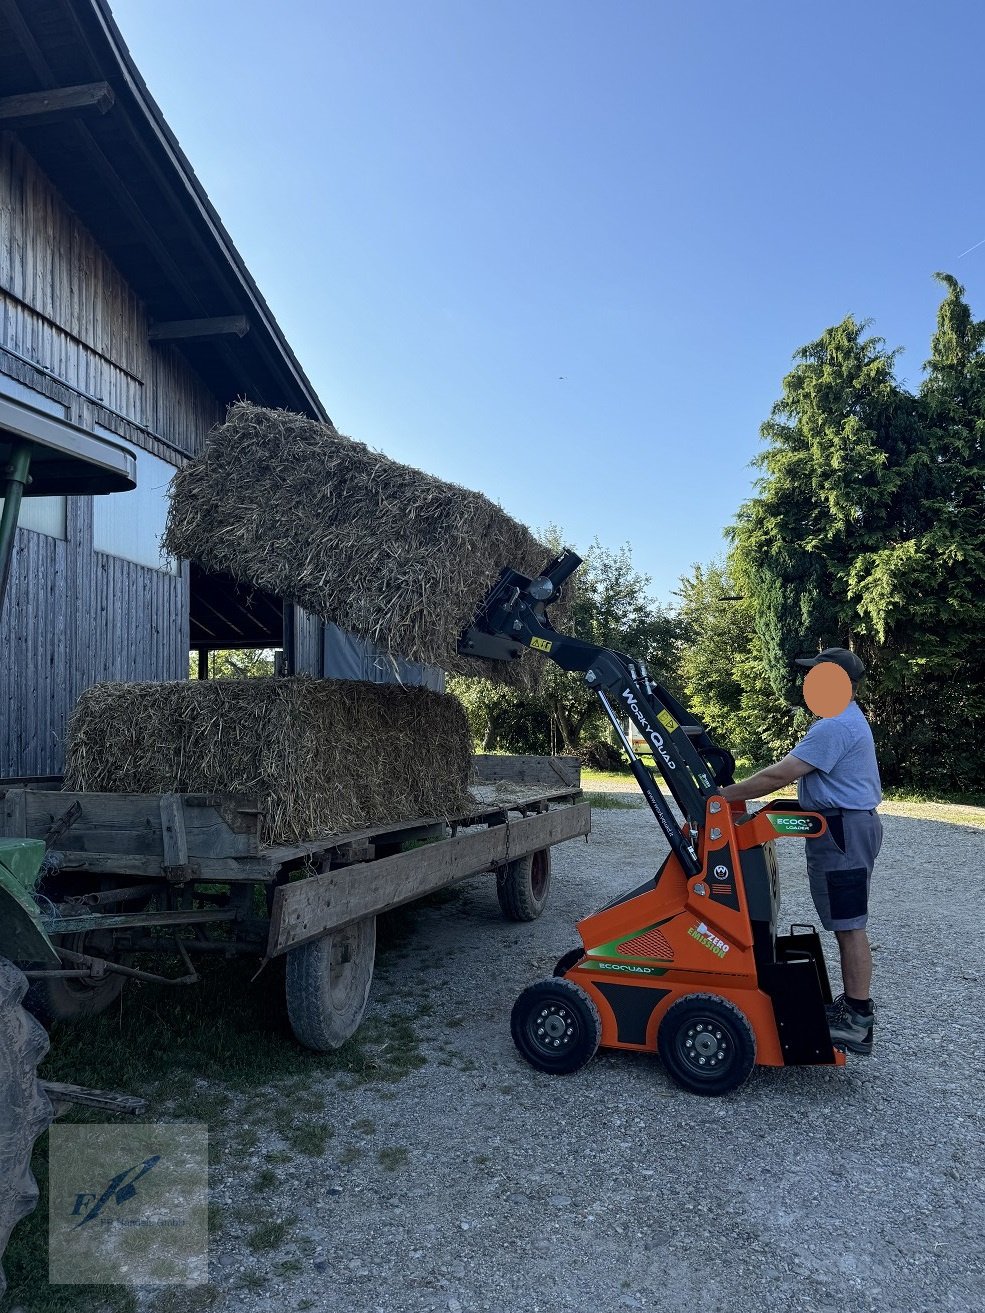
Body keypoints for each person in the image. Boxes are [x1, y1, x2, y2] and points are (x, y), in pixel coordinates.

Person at [720, 647, 883, 1055]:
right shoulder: (842, 720)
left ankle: (858, 1020)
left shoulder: (835, 727)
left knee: (849, 924)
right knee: (847, 921)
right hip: (846, 825)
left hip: (843, 829)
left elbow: (780, 774)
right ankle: (854, 1008)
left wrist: (721, 796)